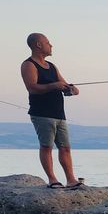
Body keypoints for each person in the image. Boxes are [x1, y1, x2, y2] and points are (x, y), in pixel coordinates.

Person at [20, 33, 83, 188]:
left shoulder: (52, 66)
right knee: (46, 146)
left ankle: (71, 180)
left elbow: (63, 84)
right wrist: (53, 86)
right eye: (48, 42)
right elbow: (32, 88)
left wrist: (71, 89)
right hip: (42, 113)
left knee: (65, 148)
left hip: (59, 114)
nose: (51, 45)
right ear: (38, 45)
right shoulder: (29, 65)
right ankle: (52, 179)